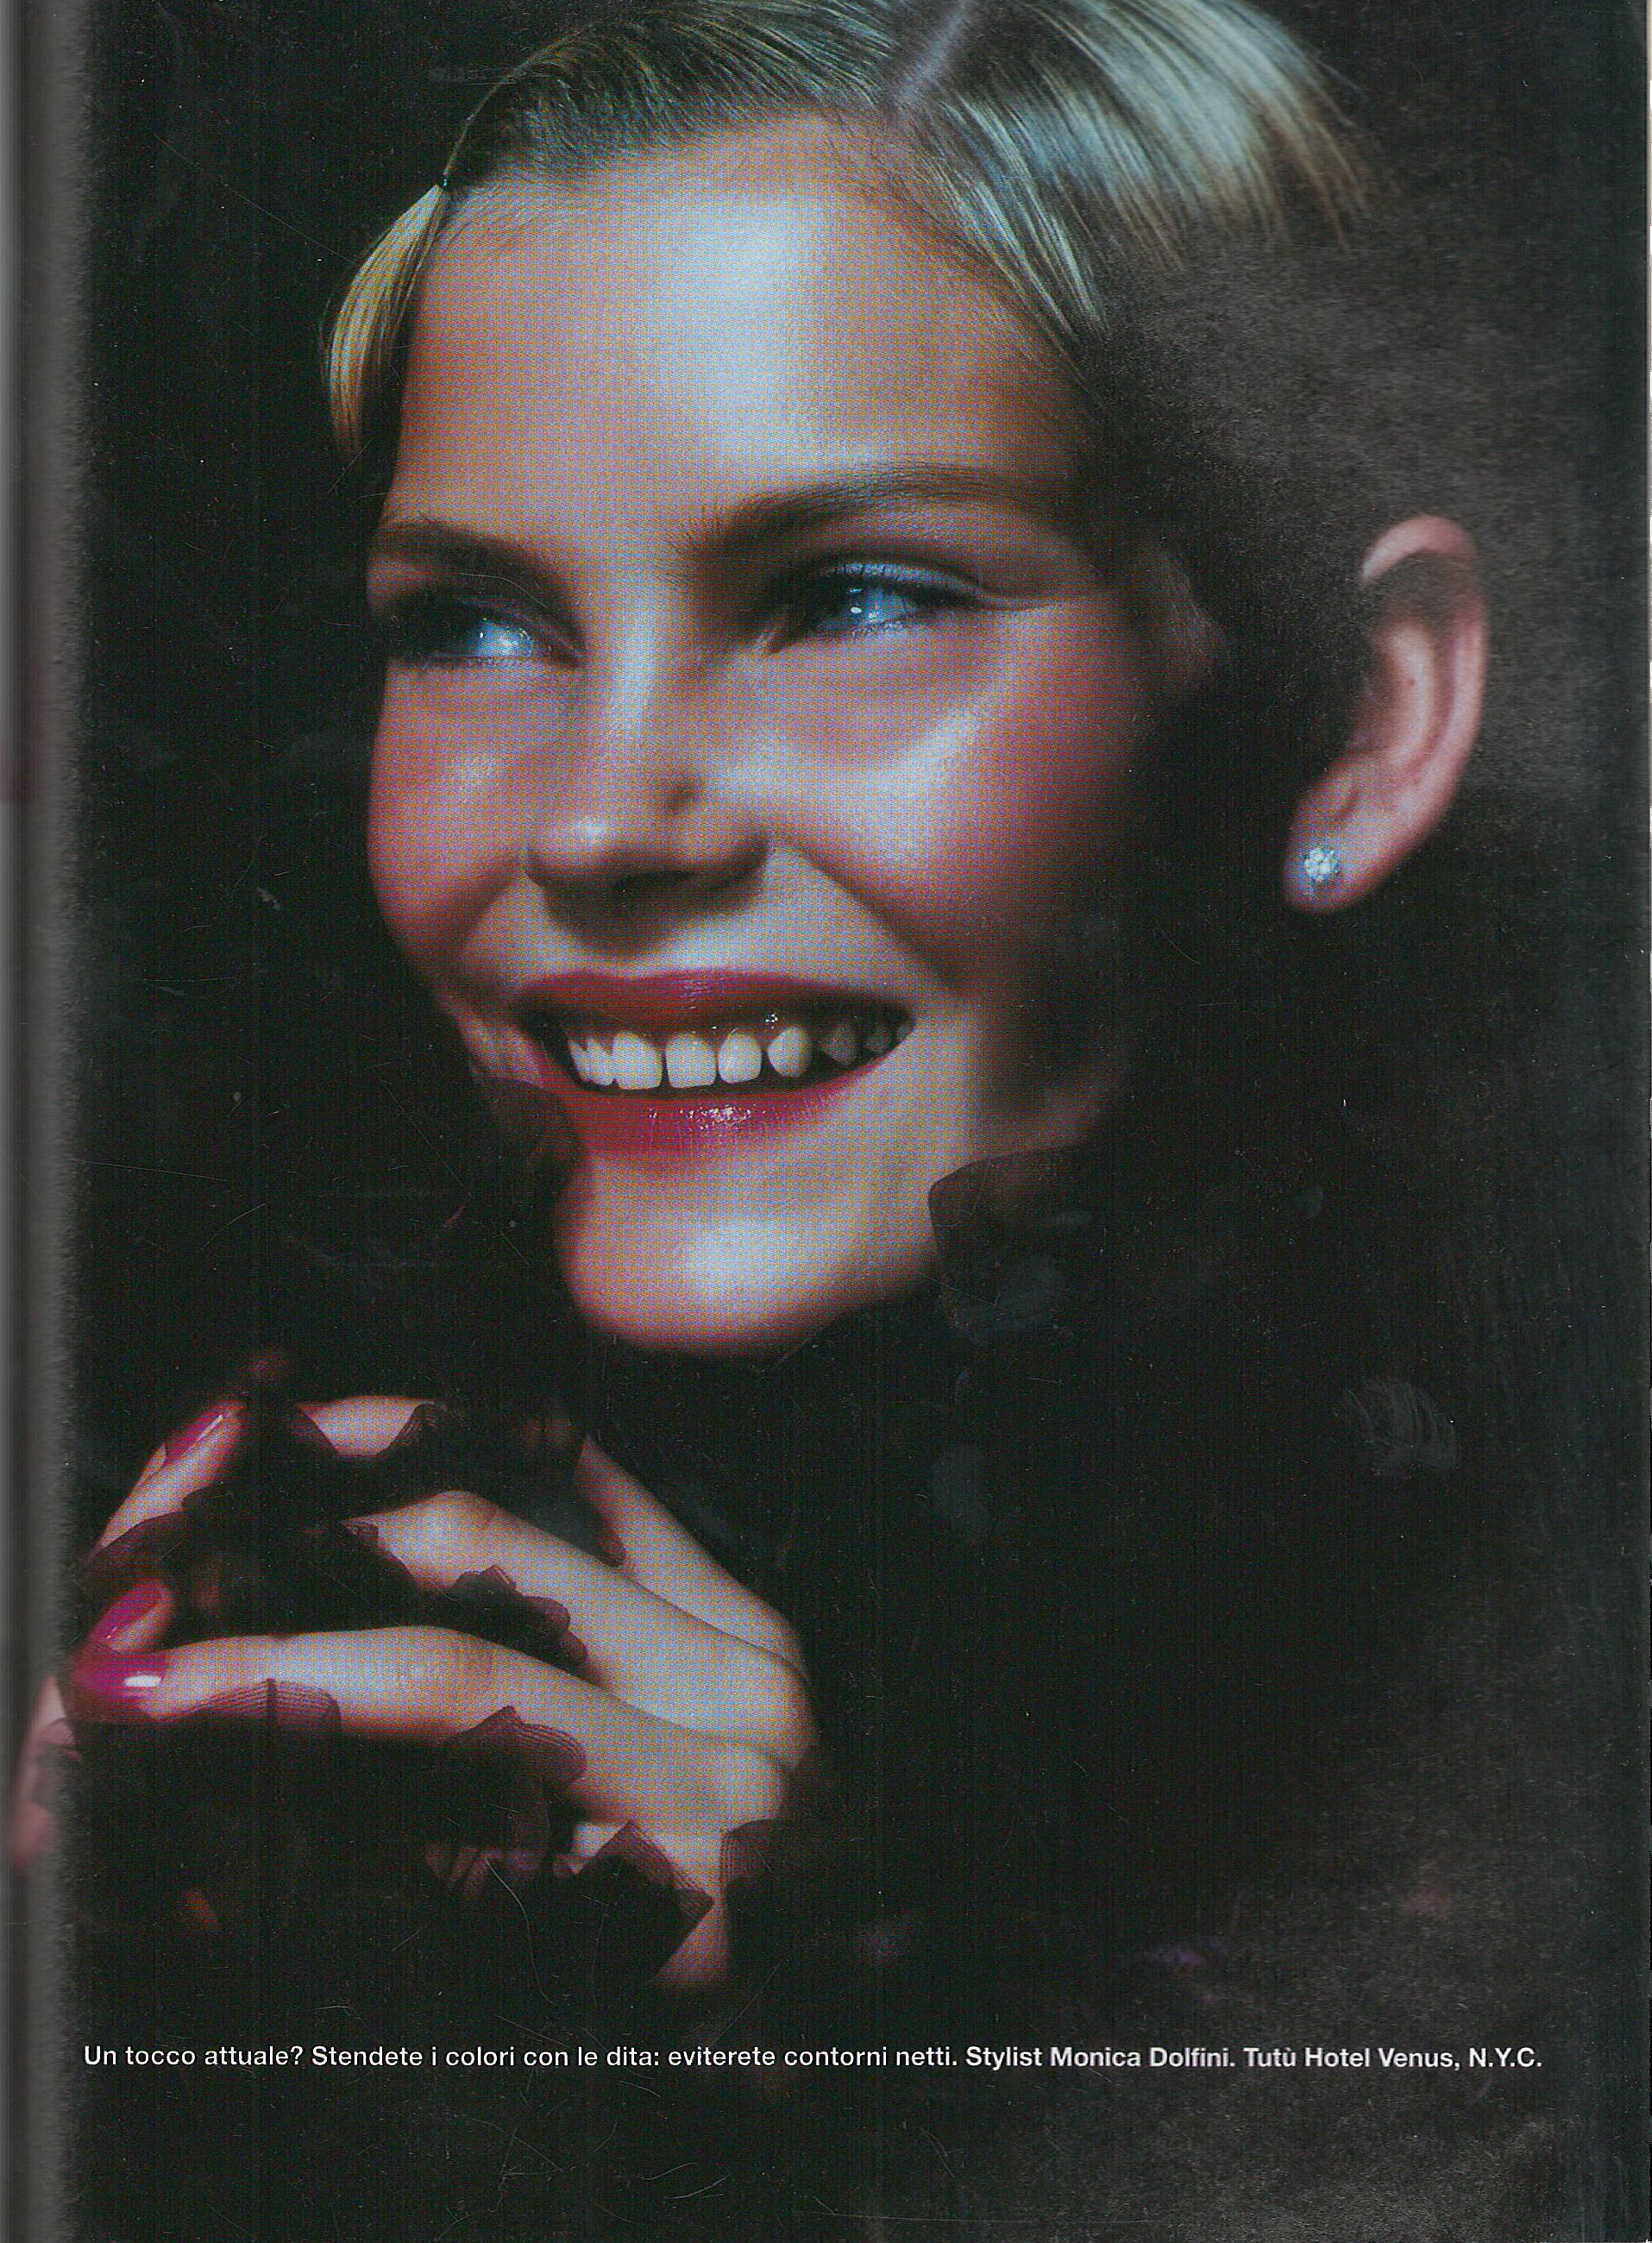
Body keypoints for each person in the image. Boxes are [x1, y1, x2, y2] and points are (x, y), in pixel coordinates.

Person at [16, 0, 1636, 2233]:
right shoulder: (245, 1573)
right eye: (472, 622)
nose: (599, 820)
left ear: (1365, 709)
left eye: (851, 596)